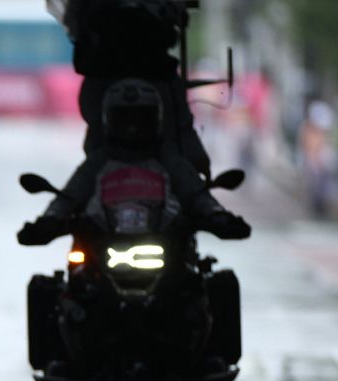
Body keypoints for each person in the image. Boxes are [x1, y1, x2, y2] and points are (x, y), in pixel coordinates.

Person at [24, 0, 250, 244]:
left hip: (165, 237)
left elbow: (196, 188)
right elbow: (70, 196)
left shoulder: (167, 155)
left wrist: (217, 216)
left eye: (140, 116)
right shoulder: (108, 155)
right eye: (125, 116)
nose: (132, 126)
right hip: (105, 238)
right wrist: (49, 221)